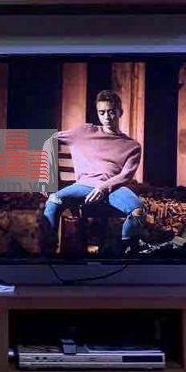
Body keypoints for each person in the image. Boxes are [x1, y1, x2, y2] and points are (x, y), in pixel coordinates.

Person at [40, 90, 145, 253]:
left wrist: (103, 188)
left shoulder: (132, 145)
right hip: (83, 186)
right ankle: (48, 256)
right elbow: (49, 140)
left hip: (114, 188)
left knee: (138, 210)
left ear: (120, 112)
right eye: (102, 113)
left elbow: (126, 175)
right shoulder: (85, 132)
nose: (107, 117)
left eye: (111, 112)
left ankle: (126, 255)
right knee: (53, 201)